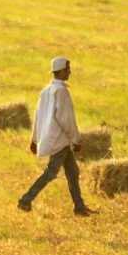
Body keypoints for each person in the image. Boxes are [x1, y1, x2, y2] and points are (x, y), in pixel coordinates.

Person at [17, 55, 94, 217]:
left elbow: (38, 116)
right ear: (62, 70)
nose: (70, 72)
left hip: (54, 140)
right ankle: (25, 199)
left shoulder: (46, 91)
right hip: (60, 141)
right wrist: (76, 139)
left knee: (72, 172)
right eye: (68, 69)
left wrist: (35, 139)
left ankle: (79, 207)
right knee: (51, 172)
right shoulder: (61, 92)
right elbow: (66, 119)